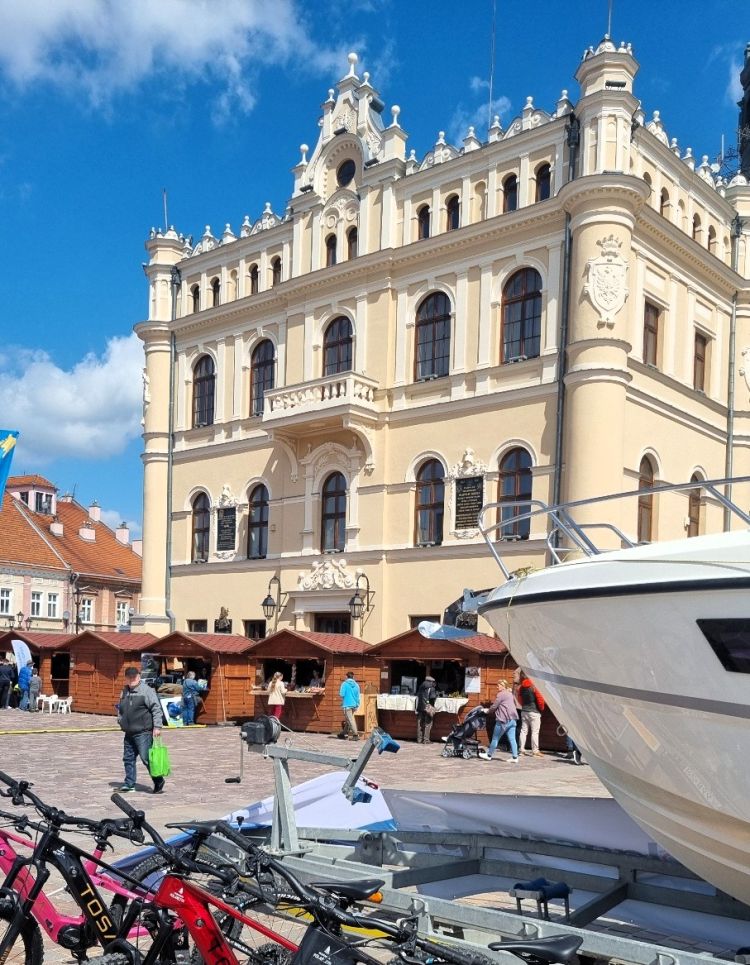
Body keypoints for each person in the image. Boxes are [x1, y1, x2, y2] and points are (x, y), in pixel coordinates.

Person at [117, 666, 165, 793]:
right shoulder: (124, 691)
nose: (132, 679)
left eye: (134, 677)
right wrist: (120, 720)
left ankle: (158, 780)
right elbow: (120, 708)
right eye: (129, 677)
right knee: (128, 758)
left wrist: (157, 727)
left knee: (146, 758)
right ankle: (129, 783)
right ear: (126, 678)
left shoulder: (146, 691)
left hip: (143, 732)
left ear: (139, 677)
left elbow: (156, 709)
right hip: (129, 731)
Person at [483, 680, 519, 762]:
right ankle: (515, 757)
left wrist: (487, 711)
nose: (497, 686)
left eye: (499, 685)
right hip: (512, 720)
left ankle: (489, 755)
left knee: (495, 738)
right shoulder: (510, 694)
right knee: (512, 739)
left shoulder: (501, 694)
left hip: (503, 720)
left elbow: (494, 706)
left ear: (504, 686)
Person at [514, 667, 545, 758]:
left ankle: (521, 749)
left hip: (524, 711)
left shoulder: (521, 687)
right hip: (534, 712)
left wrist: (524, 706)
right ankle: (535, 751)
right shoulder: (534, 686)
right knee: (535, 732)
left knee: (524, 731)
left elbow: (519, 700)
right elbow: (540, 700)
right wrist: (541, 709)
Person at [415, 675, 437, 744]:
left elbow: (417, 696)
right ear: (432, 681)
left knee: (420, 723)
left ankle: (419, 739)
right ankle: (426, 740)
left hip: (420, 707)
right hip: (428, 707)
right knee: (428, 723)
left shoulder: (421, 686)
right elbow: (432, 698)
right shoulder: (432, 688)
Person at [339, 671, 361, 740]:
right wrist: (357, 704)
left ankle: (355, 735)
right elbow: (358, 696)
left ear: (346, 677)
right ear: (353, 677)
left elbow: (341, 694)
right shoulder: (357, 685)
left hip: (347, 705)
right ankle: (343, 733)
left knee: (350, 720)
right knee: (348, 719)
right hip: (354, 705)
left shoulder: (344, 684)